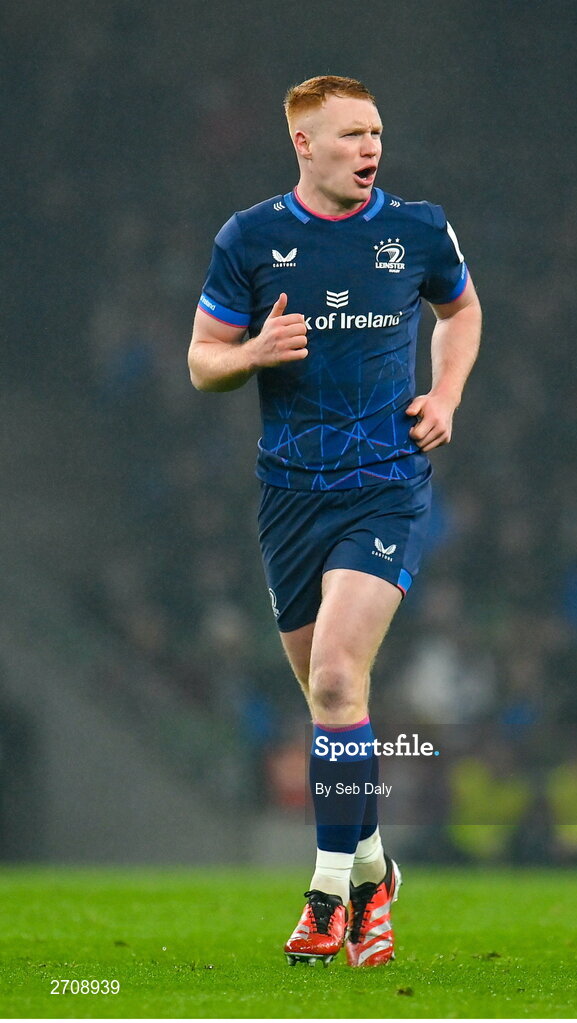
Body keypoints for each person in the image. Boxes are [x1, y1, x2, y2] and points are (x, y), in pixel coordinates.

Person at [188, 75, 482, 968]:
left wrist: (447, 394)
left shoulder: (417, 228)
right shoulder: (252, 238)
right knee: (328, 703)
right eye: (352, 134)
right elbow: (203, 362)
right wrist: (252, 353)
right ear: (303, 145)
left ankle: (329, 895)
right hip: (289, 495)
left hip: (385, 483)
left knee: (336, 682)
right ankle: (373, 864)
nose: (371, 148)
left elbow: (460, 310)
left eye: (378, 132)